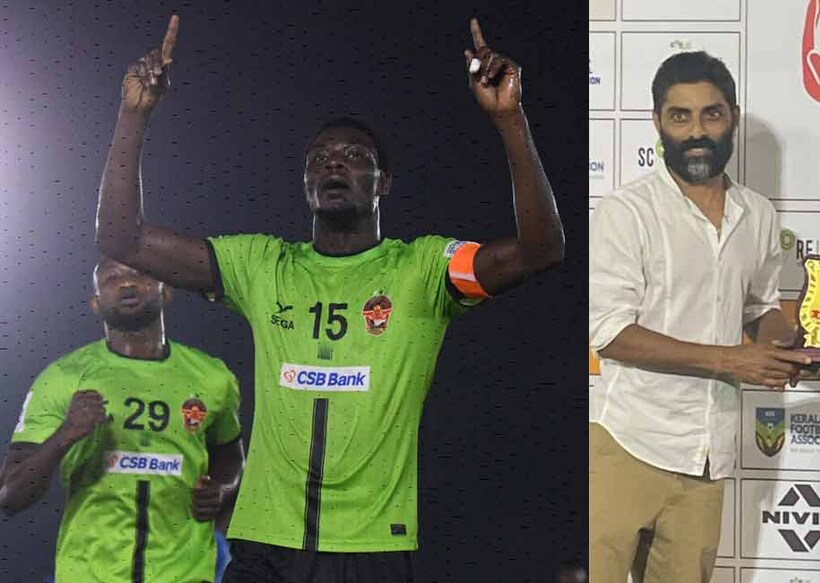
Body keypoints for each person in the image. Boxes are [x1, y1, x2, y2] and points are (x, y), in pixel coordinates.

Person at [96, 14, 564, 583]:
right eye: (319, 159)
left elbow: (540, 249)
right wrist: (133, 116)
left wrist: (509, 119)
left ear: (383, 183)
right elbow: (122, 239)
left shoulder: (423, 268)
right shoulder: (260, 265)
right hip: (265, 543)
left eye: (353, 156)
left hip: (374, 548)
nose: (333, 164)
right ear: (305, 186)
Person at [588, 51, 809, 583]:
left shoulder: (758, 215)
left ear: (732, 116)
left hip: (710, 454)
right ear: (658, 123)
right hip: (627, 441)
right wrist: (733, 361)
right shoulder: (627, 211)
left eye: (710, 114)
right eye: (679, 116)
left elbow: (759, 308)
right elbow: (610, 332)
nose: (696, 132)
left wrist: (789, 344)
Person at [0, 257, 244, 582]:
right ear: (96, 304)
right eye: (112, 278)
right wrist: (65, 435)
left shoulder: (213, 377)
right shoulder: (63, 377)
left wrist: (222, 490)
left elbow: (231, 459)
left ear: (166, 291)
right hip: (88, 575)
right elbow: (10, 496)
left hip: (184, 574)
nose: (127, 283)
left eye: (140, 274)